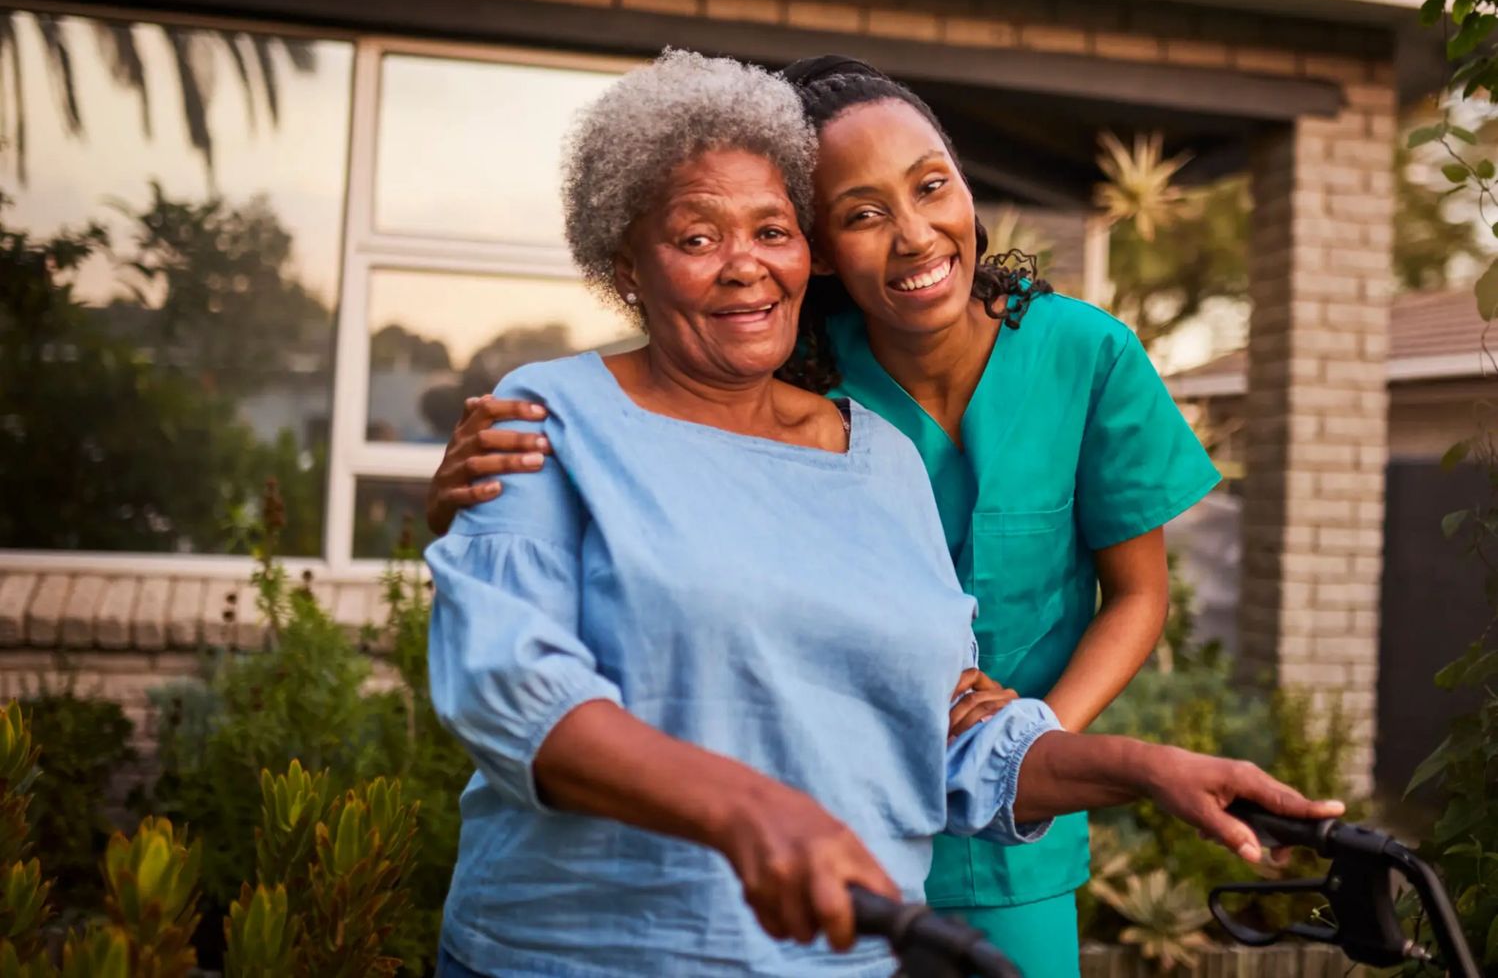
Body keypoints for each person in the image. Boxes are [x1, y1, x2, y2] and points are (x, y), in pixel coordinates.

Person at [427, 50, 1340, 978]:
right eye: (698, 238)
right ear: (628, 268)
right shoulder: (550, 416)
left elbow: (950, 730)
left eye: (770, 230)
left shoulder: (878, 458)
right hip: (580, 953)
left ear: (802, 254)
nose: (745, 265)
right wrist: (749, 807)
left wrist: (1148, 769)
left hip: (842, 951)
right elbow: (508, 686)